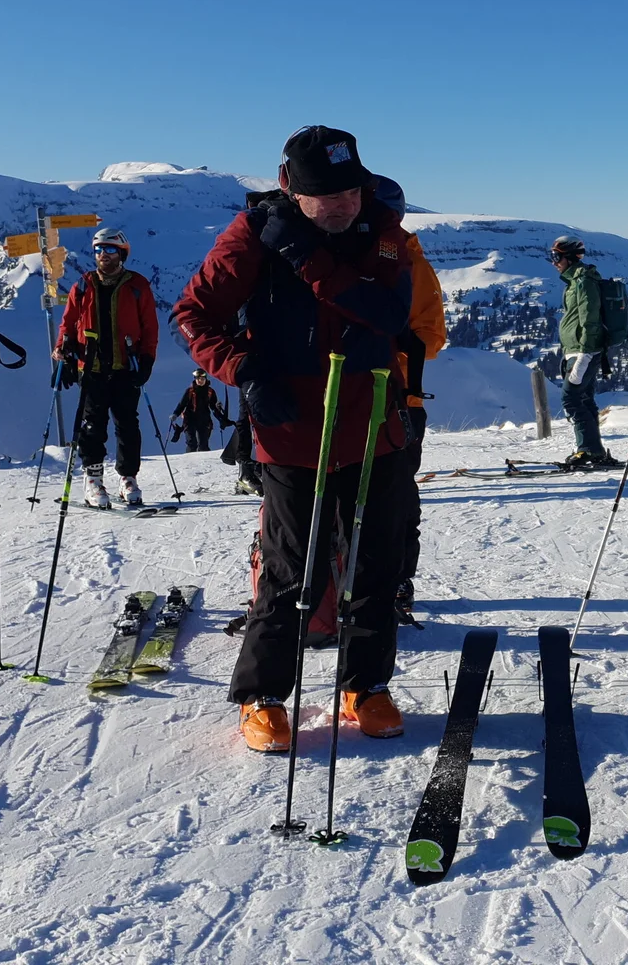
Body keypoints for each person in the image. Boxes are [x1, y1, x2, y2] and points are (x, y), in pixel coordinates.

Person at [173, 125, 415, 753]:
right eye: (324, 195)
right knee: (289, 567)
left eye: (351, 191)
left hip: (372, 426)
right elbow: (194, 315)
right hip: (290, 433)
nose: (342, 205)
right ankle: (264, 695)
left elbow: (393, 311)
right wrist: (245, 372)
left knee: (376, 562)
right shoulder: (253, 235)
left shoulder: (382, 227)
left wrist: (319, 268)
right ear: (289, 187)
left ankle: (365, 685)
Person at [375, 174, 446, 624]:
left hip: (398, 399)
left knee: (395, 497)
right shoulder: (340, 258)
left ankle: (394, 583)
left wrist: (388, 337)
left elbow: (430, 338)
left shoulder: (410, 263)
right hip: (368, 398)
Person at [56, 226, 159, 509]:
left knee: (127, 425)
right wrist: (62, 353)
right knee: (92, 426)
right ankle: (93, 480)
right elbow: (67, 323)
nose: (104, 255)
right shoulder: (83, 285)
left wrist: (147, 359)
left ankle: (128, 478)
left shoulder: (137, 286)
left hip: (126, 366)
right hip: (90, 368)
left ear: (122, 253)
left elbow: (150, 327)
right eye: (99, 250)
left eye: (110, 249)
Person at [551, 235, 616, 468]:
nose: (553, 262)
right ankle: (593, 450)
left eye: (556, 257)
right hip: (576, 350)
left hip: (583, 351)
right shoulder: (575, 281)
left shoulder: (583, 282)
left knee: (571, 397)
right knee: (585, 399)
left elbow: (590, 319)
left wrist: (585, 354)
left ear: (568, 257)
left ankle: (588, 449)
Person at [171, 369, 233, 452]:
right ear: (195, 379)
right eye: (198, 379)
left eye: (202, 379)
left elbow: (213, 407)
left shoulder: (210, 392)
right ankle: (189, 462)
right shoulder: (190, 391)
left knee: (203, 445)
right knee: (192, 443)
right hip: (189, 420)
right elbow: (182, 405)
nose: (200, 381)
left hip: (204, 420)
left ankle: (204, 463)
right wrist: (175, 414)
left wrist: (221, 419)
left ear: (206, 379)